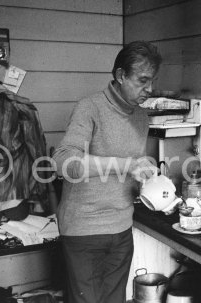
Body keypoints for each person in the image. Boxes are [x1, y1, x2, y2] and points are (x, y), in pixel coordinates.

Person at [52, 41, 161, 303]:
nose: (149, 89)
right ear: (121, 75)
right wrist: (126, 165)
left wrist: (145, 175)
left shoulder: (141, 117)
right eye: (142, 80)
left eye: (152, 81)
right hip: (84, 230)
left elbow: (129, 167)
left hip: (121, 228)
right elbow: (63, 161)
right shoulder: (89, 107)